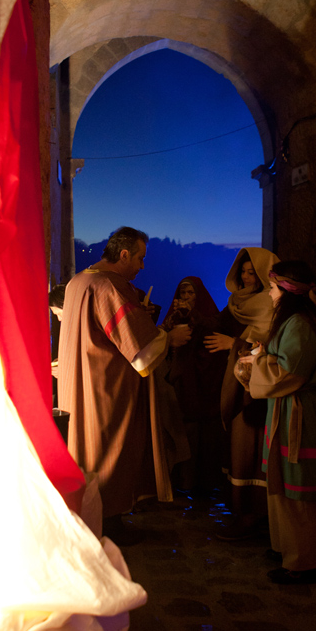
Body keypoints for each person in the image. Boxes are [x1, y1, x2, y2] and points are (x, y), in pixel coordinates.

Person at [58, 227, 191, 538]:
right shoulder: (109, 285)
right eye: (140, 258)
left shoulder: (79, 281)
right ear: (124, 254)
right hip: (105, 388)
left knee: (85, 450)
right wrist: (169, 338)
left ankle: (88, 517)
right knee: (108, 451)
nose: (142, 266)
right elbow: (140, 350)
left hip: (79, 381)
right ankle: (108, 523)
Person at [239, 260, 316, 584]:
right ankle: (288, 547)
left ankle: (306, 560)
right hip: (287, 409)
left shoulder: (300, 324)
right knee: (283, 481)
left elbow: (286, 374)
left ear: (287, 291)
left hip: (300, 412)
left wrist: (258, 360)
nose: (269, 293)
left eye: (273, 288)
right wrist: (264, 354)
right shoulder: (295, 320)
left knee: (300, 486)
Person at [203, 248, 279, 538]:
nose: (247, 278)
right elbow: (217, 325)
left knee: (254, 449)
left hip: (259, 390)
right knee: (238, 447)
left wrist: (233, 344)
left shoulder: (271, 304)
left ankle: (256, 514)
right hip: (235, 384)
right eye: (243, 272)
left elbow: (272, 348)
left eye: (252, 273)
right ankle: (241, 511)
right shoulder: (236, 303)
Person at [161, 277, 224, 492]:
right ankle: (181, 483)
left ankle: (206, 485)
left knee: (206, 435)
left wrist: (194, 314)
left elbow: (215, 330)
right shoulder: (175, 315)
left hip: (206, 386)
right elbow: (163, 338)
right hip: (182, 384)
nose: (186, 297)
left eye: (190, 293)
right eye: (183, 293)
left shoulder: (209, 315)